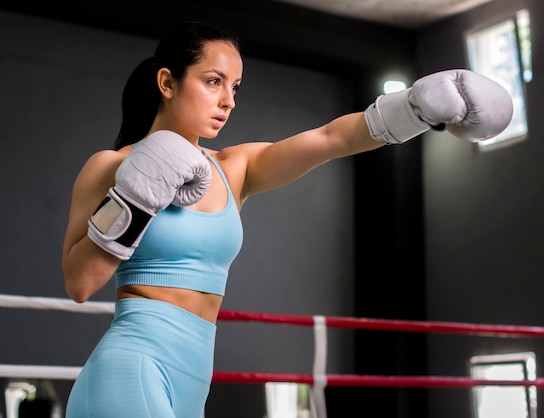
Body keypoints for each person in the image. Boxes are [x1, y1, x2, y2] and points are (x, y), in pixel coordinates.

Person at [61, 20, 513, 418]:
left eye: (235, 87)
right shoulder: (109, 166)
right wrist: (136, 197)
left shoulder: (234, 168)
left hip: (193, 377)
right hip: (132, 363)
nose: (228, 101)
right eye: (214, 81)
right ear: (167, 81)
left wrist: (413, 107)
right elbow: (79, 284)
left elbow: (329, 138)